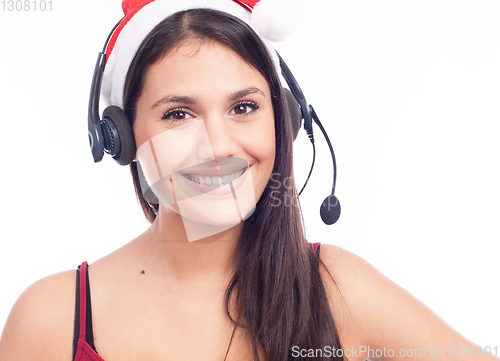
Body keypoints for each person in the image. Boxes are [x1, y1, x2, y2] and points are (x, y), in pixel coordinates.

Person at [0, 1, 497, 360]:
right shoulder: (52, 318)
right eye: (178, 114)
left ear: (283, 121)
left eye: (244, 107)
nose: (218, 146)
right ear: (122, 138)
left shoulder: (336, 289)